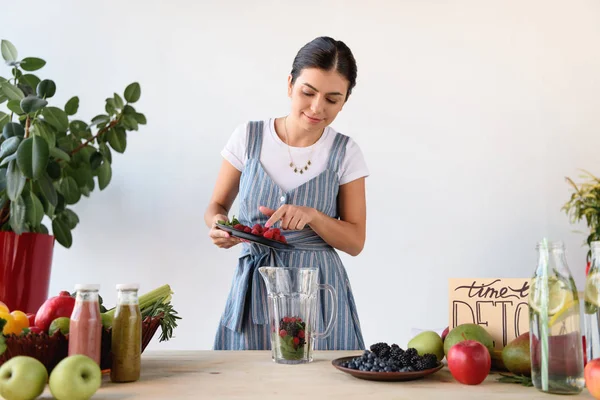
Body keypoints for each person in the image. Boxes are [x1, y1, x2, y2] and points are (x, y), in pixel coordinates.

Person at [204, 36, 369, 351]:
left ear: (345, 99)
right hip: (256, 286)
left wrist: (314, 217)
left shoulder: (346, 153)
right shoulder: (248, 137)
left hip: (319, 295)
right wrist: (219, 225)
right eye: (308, 92)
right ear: (290, 84)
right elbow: (216, 205)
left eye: (333, 99)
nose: (317, 107)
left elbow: (355, 241)